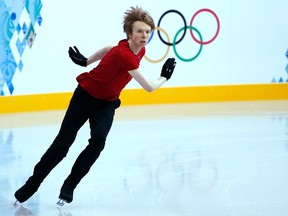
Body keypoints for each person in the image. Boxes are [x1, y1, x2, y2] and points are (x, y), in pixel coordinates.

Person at [14, 6, 176, 205]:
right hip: (84, 97)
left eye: (148, 32)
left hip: (106, 104)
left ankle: (69, 186)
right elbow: (149, 87)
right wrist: (164, 76)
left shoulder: (139, 50)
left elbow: (109, 49)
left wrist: (88, 60)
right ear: (130, 33)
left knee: (98, 141)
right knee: (62, 145)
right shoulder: (125, 55)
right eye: (140, 31)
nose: (144, 35)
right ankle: (32, 184)